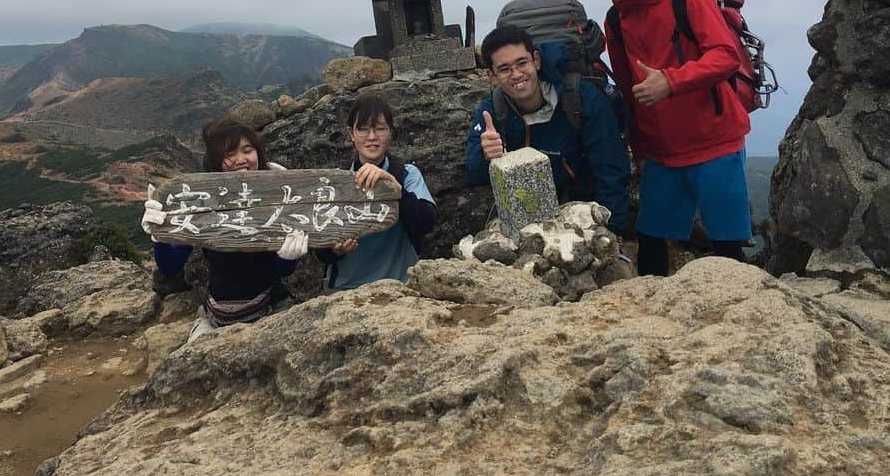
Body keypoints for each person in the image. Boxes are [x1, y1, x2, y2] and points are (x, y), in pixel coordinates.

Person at [580, 0, 751, 276]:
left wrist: (671, 82)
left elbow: (725, 56)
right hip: (661, 152)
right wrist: (641, 147)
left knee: (727, 247)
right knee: (652, 242)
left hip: (715, 142)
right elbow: (630, 91)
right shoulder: (616, 19)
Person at [143, 117, 309, 342]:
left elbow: (281, 270)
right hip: (216, 317)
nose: (241, 159)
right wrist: (160, 235)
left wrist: (288, 258)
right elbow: (170, 267)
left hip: (271, 309)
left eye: (247, 150)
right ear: (215, 161)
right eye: (229, 154)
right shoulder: (203, 202)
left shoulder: (278, 199)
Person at [464, 25, 630, 232]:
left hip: (585, 212)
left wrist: (610, 233)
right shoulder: (492, 112)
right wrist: (485, 155)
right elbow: (474, 173)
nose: (516, 74)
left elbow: (610, 168)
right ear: (492, 76)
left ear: (536, 61)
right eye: (504, 69)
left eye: (522, 63)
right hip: (524, 219)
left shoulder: (580, 99)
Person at [316, 93, 436, 289]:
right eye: (363, 129)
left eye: (380, 128)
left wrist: (395, 189)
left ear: (390, 132)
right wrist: (335, 251)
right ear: (351, 134)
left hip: (400, 284)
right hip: (346, 289)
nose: (372, 137)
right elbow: (321, 250)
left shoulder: (407, 174)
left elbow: (425, 223)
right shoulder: (336, 181)